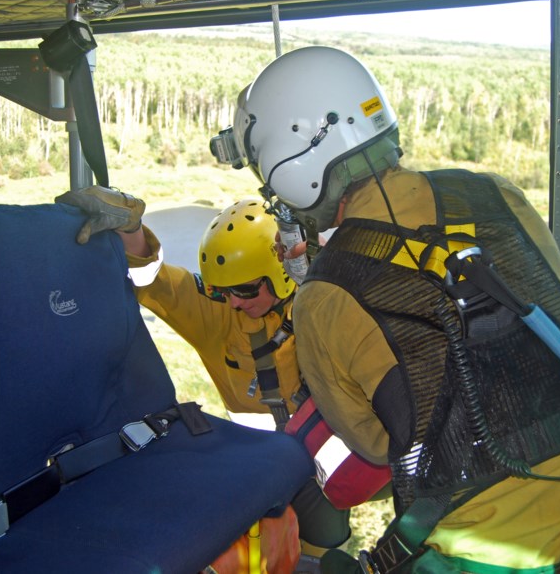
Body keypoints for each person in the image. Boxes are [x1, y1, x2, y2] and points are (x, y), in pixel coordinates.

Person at [217, 45, 560, 573]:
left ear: (288, 167)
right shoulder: (494, 193)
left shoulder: (323, 296)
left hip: (485, 560)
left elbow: (375, 447)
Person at [54, 189, 351, 566]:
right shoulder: (218, 316)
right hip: (256, 469)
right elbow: (152, 280)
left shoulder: (326, 299)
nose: (233, 302)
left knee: (321, 556)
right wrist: (132, 230)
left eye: (244, 289)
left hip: (328, 471)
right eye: (219, 289)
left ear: (280, 271)